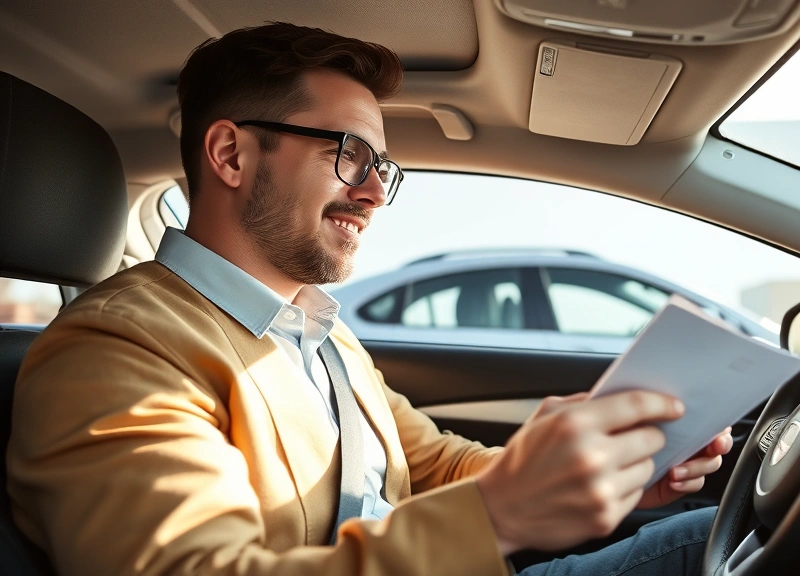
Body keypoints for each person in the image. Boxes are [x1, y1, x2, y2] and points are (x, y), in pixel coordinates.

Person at [7, 22, 732, 576]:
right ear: (230, 155)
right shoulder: (113, 349)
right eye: (349, 154)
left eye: (380, 164)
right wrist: (498, 513)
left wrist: (602, 477)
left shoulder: (315, 329)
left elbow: (431, 468)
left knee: (698, 538)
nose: (376, 192)